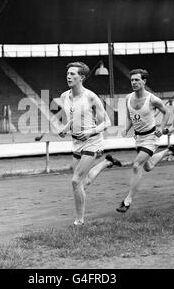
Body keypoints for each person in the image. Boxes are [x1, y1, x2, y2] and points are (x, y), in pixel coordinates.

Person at [57, 62, 122, 226]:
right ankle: (106, 163)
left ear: (82, 77)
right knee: (82, 182)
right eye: (68, 73)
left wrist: (89, 132)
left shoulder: (91, 97)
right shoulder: (65, 96)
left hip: (92, 141)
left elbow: (107, 122)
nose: (69, 76)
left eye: (73, 74)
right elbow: (73, 117)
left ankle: (79, 220)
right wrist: (64, 128)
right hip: (76, 143)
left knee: (75, 181)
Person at [116, 69, 174, 213]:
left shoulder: (153, 99)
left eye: (137, 80)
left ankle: (127, 200)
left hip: (151, 137)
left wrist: (161, 128)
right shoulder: (128, 98)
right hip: (138, 138)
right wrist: (126, 128)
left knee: (137, 164)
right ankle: (168, 151)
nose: (134, 83)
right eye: (132, 80)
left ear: (144, 81)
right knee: (148, 166)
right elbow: (130, 116)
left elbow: (167, 112)